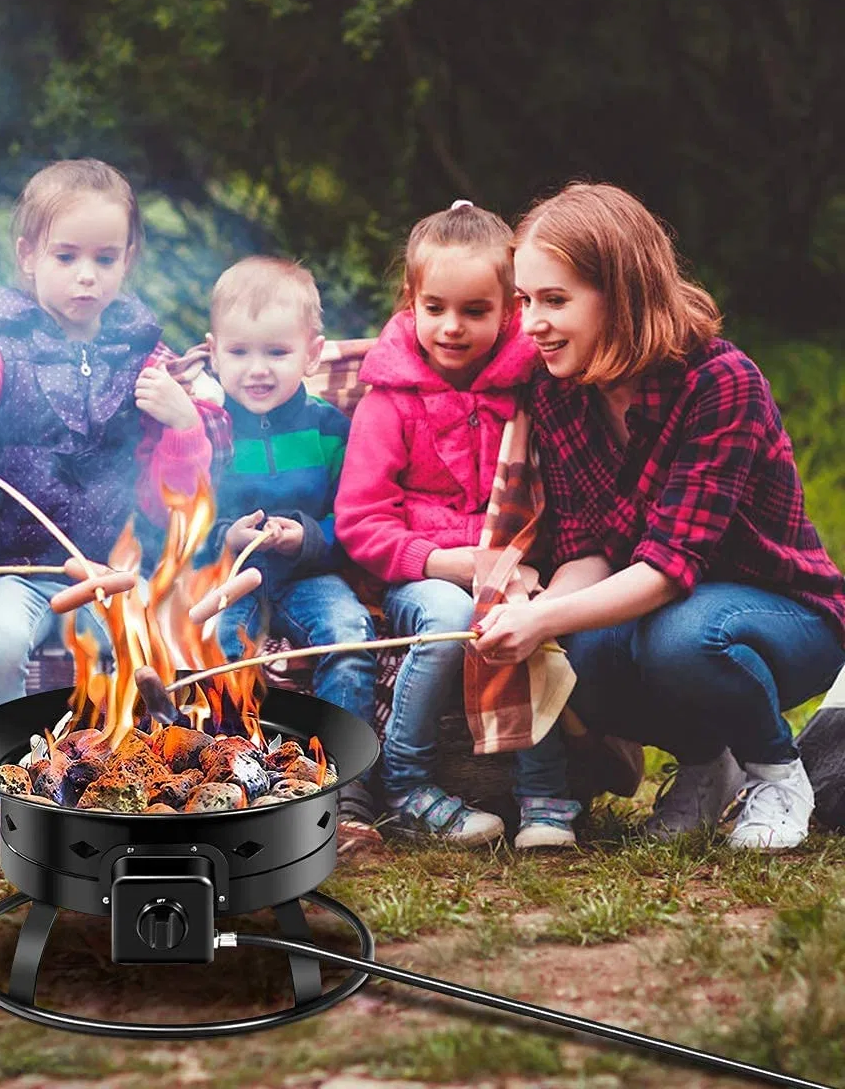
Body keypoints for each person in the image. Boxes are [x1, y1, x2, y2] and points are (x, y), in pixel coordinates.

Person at [474, 182, 845, 851]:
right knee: (577, 655)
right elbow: (588, 548)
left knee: (679, 636)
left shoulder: (720, 382)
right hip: (660, 612)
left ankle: (779, 773)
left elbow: (669, 571)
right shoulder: (556, 390)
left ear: (622, 293)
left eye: (555, 300)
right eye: (525, 300)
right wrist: (535, 622)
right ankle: (707, 767)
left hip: (783, 615)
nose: (531, 323)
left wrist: (541, 619)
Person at [0, 159, 225, 832]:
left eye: (105, 258)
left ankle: (135, 784)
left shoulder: (147, 357)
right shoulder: (0, 345)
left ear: (128, 260)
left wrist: (184, 422)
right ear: (27, 257)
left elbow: (184, 489)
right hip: (18, 563)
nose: (87, 275)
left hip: (112, 566)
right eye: (67, 255)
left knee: (166, 648)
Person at [336, 202, 546, 849]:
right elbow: (360, 521)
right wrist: (442, 563)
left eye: (475, 312)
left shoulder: (528, 390)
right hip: (416, 576)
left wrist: (524, 566)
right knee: (451, 617)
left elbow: (546, 494)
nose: (452, 328)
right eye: (435, 309)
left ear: (510, 309)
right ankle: (404, 783)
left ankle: (548, 790)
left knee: (535, 619)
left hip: (508, 562)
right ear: (412, 301)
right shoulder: (389, 402)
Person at [204, 256, 381, 845]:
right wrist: (225, 534)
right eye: (240, 353)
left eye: (277, 353)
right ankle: (235, 778)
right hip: (233, 573)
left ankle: (342, 786)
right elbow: (180, 519)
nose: (257, 370)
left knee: (349, 630)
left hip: (308, 572)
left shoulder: (331, 428)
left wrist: (308, 535)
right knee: (220, 646)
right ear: (213, 352)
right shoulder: (205, 432)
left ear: (312, 353)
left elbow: (353, 517)